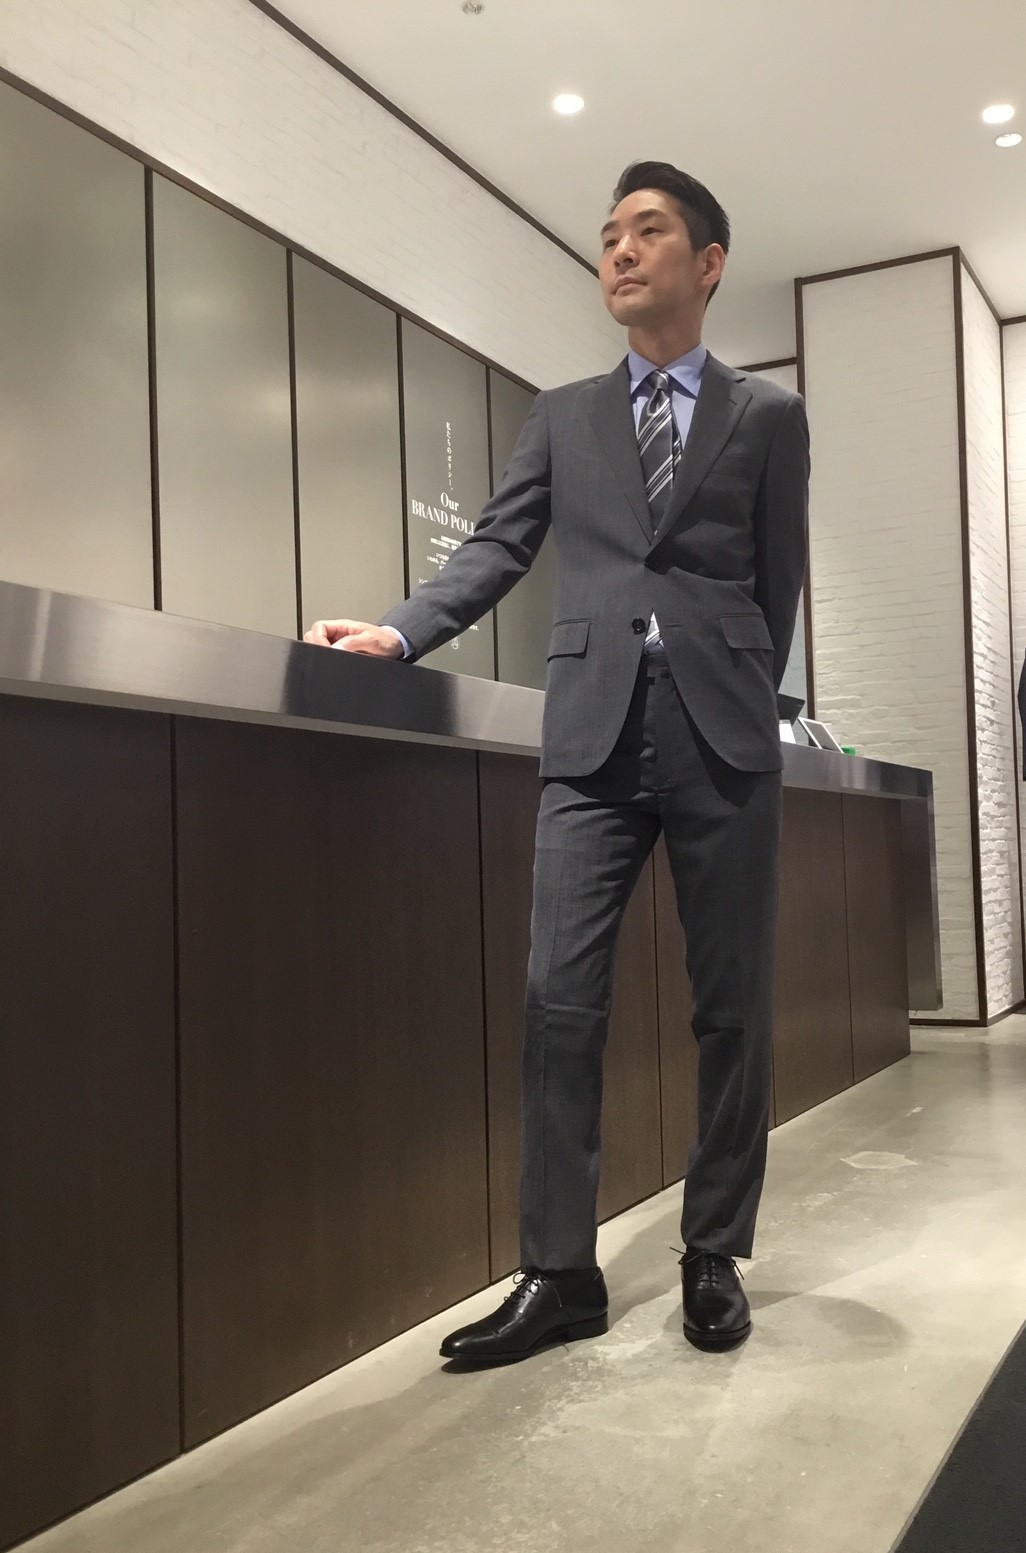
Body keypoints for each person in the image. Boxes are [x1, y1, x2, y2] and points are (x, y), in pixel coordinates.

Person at [305, 160, 810, 1363]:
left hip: (723, 736)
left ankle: (712, 1251)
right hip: (590, 731)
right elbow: (498, 545)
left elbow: (776, 580)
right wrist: (403, 631)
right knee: (557, 1001)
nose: (620, 251)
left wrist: (739, 686)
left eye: (649, 231)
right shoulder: (562, 414)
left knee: (732, 1006)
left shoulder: (768, 415)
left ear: (708, 263)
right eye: (609, 236)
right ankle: (559, 1272)